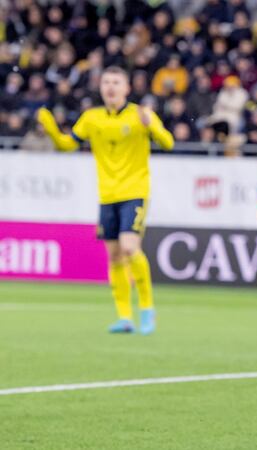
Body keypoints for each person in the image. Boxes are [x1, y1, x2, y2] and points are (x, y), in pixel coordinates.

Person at [37, 66, 174, 335]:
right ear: (101, 87)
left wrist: (153, 130)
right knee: (113, 257)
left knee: (130, 247)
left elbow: (168, 143)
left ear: (127, 88)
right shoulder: (91, 118)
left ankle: (147, 309)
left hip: (134, 191)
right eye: (106, 82)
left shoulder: (141, 114)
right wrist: (52, 129)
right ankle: (124, 317)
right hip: (107, 195)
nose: (110, 87)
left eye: (116, 82)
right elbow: (67, 145)